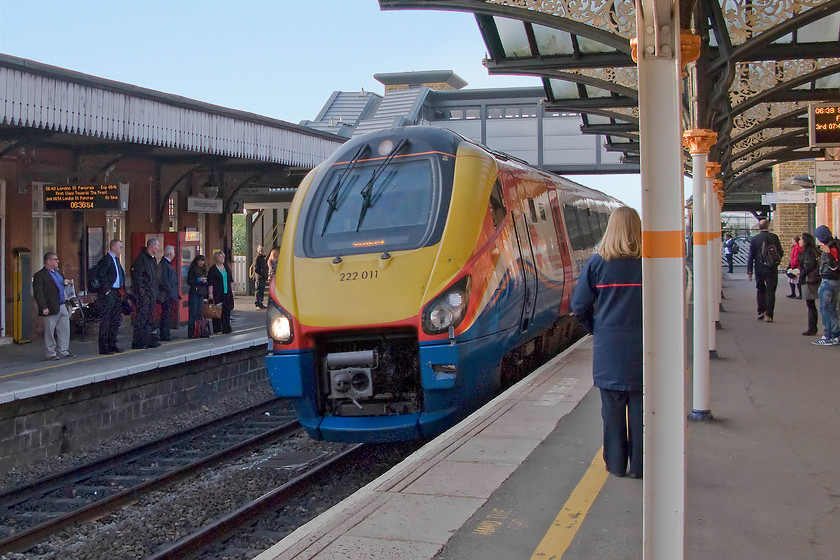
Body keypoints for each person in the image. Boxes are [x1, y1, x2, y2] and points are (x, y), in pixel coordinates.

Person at [571, 206, 643, 479]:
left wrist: (597, 329)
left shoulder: (597, 264)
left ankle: (615, 465)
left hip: (609, 349)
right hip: (643, 348)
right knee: (640, 410)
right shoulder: (648, 263)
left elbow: (578, 307)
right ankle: (639, 465)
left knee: (612, 412)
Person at [32, 252, 75, 360]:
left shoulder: (58, 273)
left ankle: (63, 350)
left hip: (62, 304)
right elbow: (38, 293)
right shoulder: (40, 275)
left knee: (64, 329)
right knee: (50, 331)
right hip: (50, 307)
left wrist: (66, 283)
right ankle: (51, 352)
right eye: (55, 259)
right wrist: (43, 307)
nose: (58, 261)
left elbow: (63, 285)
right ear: (48, 261)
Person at [92, 239, 126, 355]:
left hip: (117, 292)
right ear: (114, 247)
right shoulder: (107, 260)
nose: (121, 249)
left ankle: (112, 343)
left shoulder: (117, 260)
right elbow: (101, 276)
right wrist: (106, 290)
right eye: (120, 246)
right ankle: (103, 346)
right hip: (109, 293)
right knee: (106, 320)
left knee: (116, 319)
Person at [746, 219, 784, 323]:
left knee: (760, 289)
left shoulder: (755, 239)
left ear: (759, 227)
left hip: (759, 268)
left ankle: (761, 311)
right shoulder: (774, 237)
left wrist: (749, 271)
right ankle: (769, 314)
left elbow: (751, 256)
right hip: (771, 268)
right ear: (768, 226)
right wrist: (775, 262)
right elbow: (780, 252)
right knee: (771, 291)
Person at [130, 238, 161, 349]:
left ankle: (149, 339)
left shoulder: (153, 260)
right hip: (144, 294)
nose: (158, 249)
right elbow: (137, 277)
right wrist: (142, 292)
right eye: (157, 247)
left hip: (151, 292)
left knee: (150, 317)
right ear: (152, 246)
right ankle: (138, 341)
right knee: (141, 317)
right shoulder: (141, 259)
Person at [812, 225, 840, 346]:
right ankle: (836, 335)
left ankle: (828, 335)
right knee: (832, 308)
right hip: (837, 281)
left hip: (828, 280)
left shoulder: (829, 247)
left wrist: (827, 253)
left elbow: (833, 264)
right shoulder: (836, 243)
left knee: (824, 309)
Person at [797, 233, 820, 336]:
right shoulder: (811, 251)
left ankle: (812, 328)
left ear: (805, 241)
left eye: (801, 240)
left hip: (810, 279)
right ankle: (812, 327)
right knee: (810, 304)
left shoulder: (809, 252)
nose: (799, 241)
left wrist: (802, 274)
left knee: (810, 304)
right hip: (810, 278)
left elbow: (810, 265)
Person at [207, 251, 235, 334]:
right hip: (218, 293)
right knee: (217, 310)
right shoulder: (213, 269)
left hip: (227, 292)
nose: (223, 258)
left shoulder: (226, 267)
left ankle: (226, 328)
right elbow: (210, 282)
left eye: (223, 257)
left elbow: (231, 280)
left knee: (227, 310)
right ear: (216, 258)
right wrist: (210, 294)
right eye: (220, 257)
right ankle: (217, 329)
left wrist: (233, 290)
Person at [158, 245, 180, 341]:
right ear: (171, 254)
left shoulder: (166, 264)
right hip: (166, 294)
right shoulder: (164, 264)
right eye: (174, 252)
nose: (174, 254)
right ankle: (164, 334)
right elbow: (164, 280)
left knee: (168, 314)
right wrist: (170, 291)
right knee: (166, 314)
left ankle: (167, 332)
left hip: (169, 293)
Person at [186, 254, 210, 338]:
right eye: (200, 262)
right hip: (194, 291)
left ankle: (199, 330)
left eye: (203, 262)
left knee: (199, 313)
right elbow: (189, 281)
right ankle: (191, 332)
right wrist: (197, 280)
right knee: (193, 312)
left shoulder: (204, 269)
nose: (202, 264)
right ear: (197, 261)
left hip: (201, 292)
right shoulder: (192, 269)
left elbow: (208, 281)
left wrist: (205, 281)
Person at [252, 244, 268, 309]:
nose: (262, 251)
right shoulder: (257, 258)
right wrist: (260, 274)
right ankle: (258, 303)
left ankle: (260, 302)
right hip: (259, 277)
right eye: (260, 250)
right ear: (258, 251)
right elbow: (256, 268)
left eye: (262, 250)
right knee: (258, 291)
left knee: (261, 291)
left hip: (263, 277)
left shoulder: (262, 258)